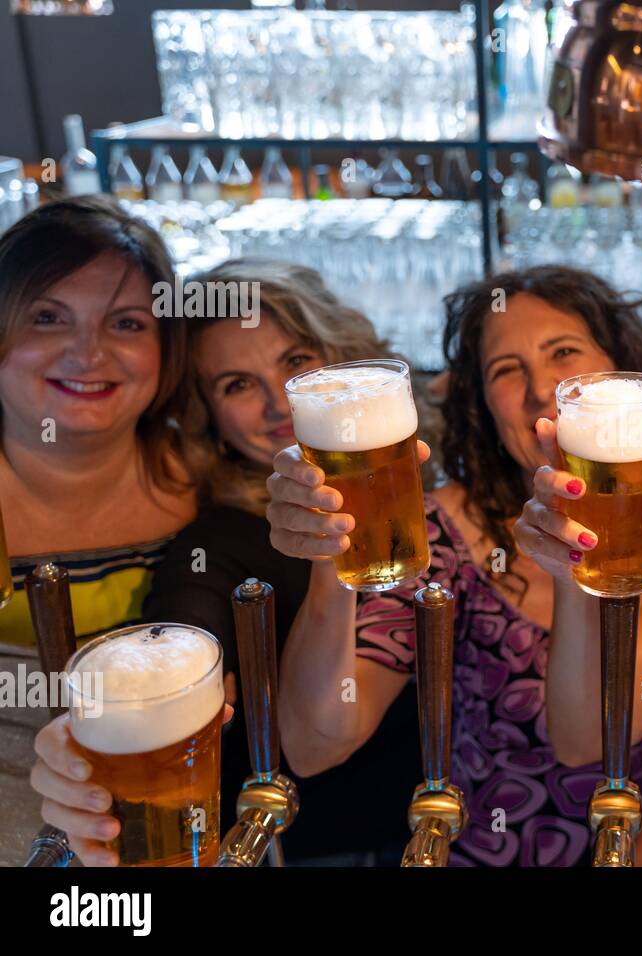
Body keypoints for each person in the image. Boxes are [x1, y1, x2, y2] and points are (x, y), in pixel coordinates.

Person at [264, 265, 642, 866]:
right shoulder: (440, 535)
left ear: (627, 374)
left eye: (564, 352)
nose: (542, 389)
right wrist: (330, 551)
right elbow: (313, 745)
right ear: (481, 405)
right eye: (507, 370)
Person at [27, 258, 438, 865]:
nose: (280, 404)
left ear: (342, 355)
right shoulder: (218, 543)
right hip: (336, 848)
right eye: (237, 385)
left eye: (296, 362)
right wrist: (82, 749)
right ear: (207, 415)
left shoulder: (417, 470)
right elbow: (179, 636)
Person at [0, 196, 194, 647]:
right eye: (47, 318)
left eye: (126, 324)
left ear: (167, 350)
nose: (88, 354)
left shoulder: (216, 477)